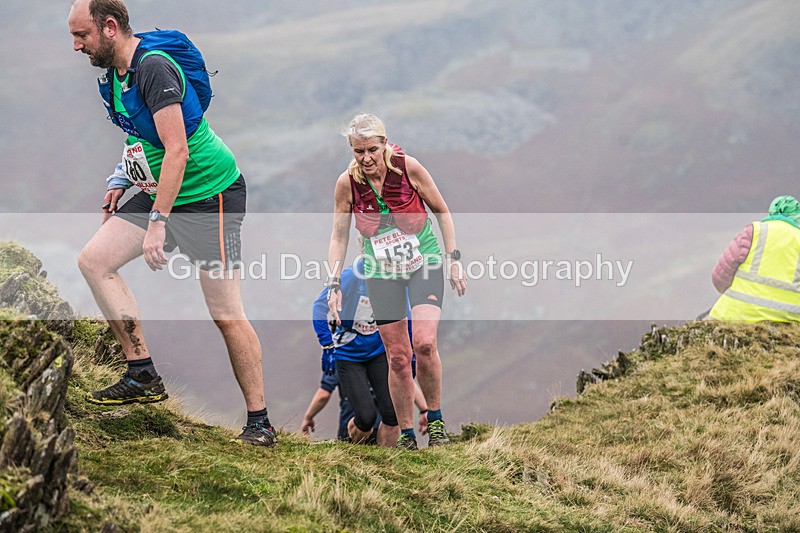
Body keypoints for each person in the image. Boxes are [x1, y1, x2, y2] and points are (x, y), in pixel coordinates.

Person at [68, 0, 275, 446]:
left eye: (81, 35)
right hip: (162, 187)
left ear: (109, 27)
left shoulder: (154, 68)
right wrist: (120, 178)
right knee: (94, 261)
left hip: (209, 195)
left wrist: (158, 222)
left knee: (225, 314)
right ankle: (141, 372)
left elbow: (178, 149)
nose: (75, 46)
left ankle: (259, 423)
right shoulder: (116, 77)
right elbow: (142, 134)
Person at [327, 114, 467, 450]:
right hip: (381, 271)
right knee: (399, 358)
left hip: (425, 262)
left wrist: (454, 260)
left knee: (424, 344)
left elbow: (441, 211)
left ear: (385, 143)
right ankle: (406, 436)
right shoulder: (347, 183)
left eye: (372, 149)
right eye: (359, 151)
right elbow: (338, 236)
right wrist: (333, 283)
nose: (367, 158)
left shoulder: (409, 168)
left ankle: (435, 424)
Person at [311, 258, 400, 446]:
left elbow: (405, 311)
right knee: (366, 418)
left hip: (377, 351)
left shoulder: (393, 276)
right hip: (349, 355)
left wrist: (410, 354)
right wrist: (327, 345)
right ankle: (354, 452)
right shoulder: (351, 276)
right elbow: (319, 307)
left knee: (392, 414)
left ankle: (388, 464)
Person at [709, 195, 800, 322]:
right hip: (790, 318)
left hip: (739, 313)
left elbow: (720, 276)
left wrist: (726, 290)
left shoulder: (754, 232)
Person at [300, 367, 429, 442]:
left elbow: (324, 394)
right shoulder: (382, 350)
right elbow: (405, 380)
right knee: (386, 467)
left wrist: (308, 417)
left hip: (352, 427)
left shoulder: (344, 350)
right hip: (384, 427)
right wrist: (424, 410)